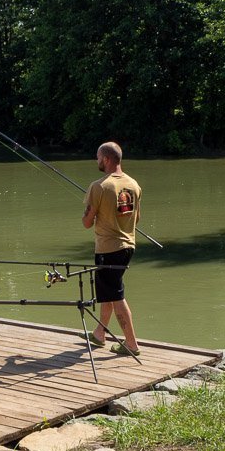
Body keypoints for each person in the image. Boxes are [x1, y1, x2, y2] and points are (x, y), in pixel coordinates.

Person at [82, 141, 141, 355]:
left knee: (115, 295)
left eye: (98, 157)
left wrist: (93, 214)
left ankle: (132, 344)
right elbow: (137, 219)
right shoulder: (134, 185)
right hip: (128, 245)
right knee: (109, 290)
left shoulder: (99, 186)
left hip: (108, 249)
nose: (97, 161)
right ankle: (100, 334)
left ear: (106, 159)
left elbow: (87, 222)